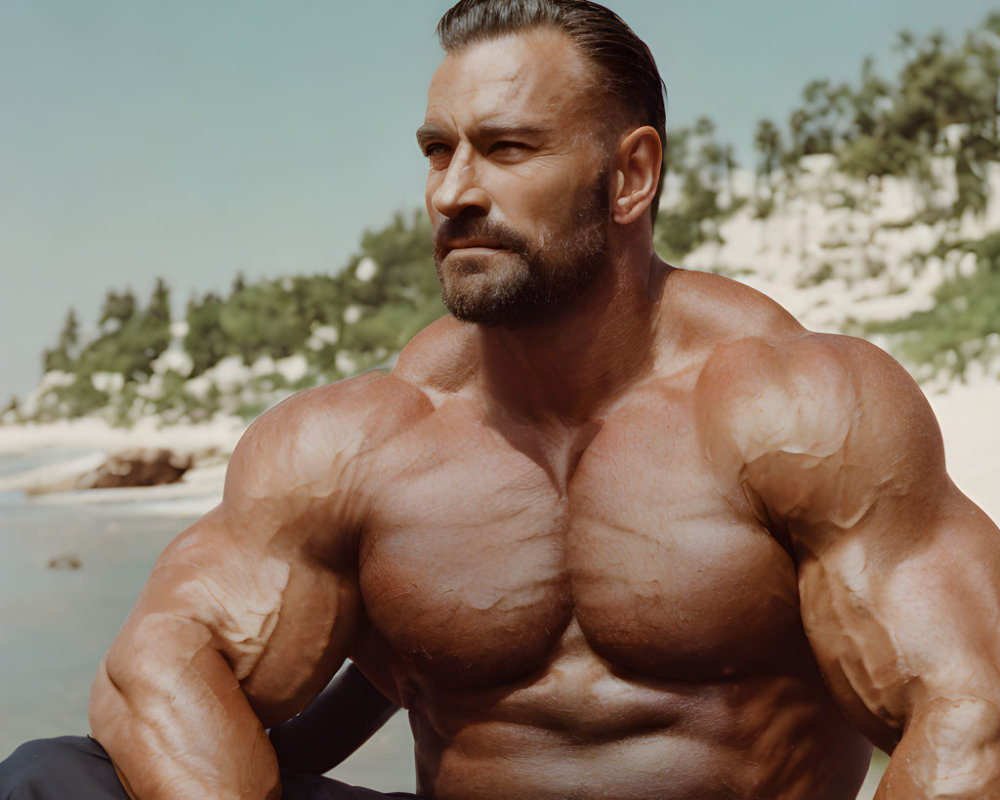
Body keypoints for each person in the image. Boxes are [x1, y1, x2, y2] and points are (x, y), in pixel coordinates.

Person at [4, 0, 1000, 798]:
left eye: (507, 148)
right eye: (438, 151)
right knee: (54, 775)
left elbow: (973, 711)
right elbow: (156, 666)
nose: (453, 192)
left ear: (630, 176)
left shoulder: (793, 406)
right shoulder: (371, 439)